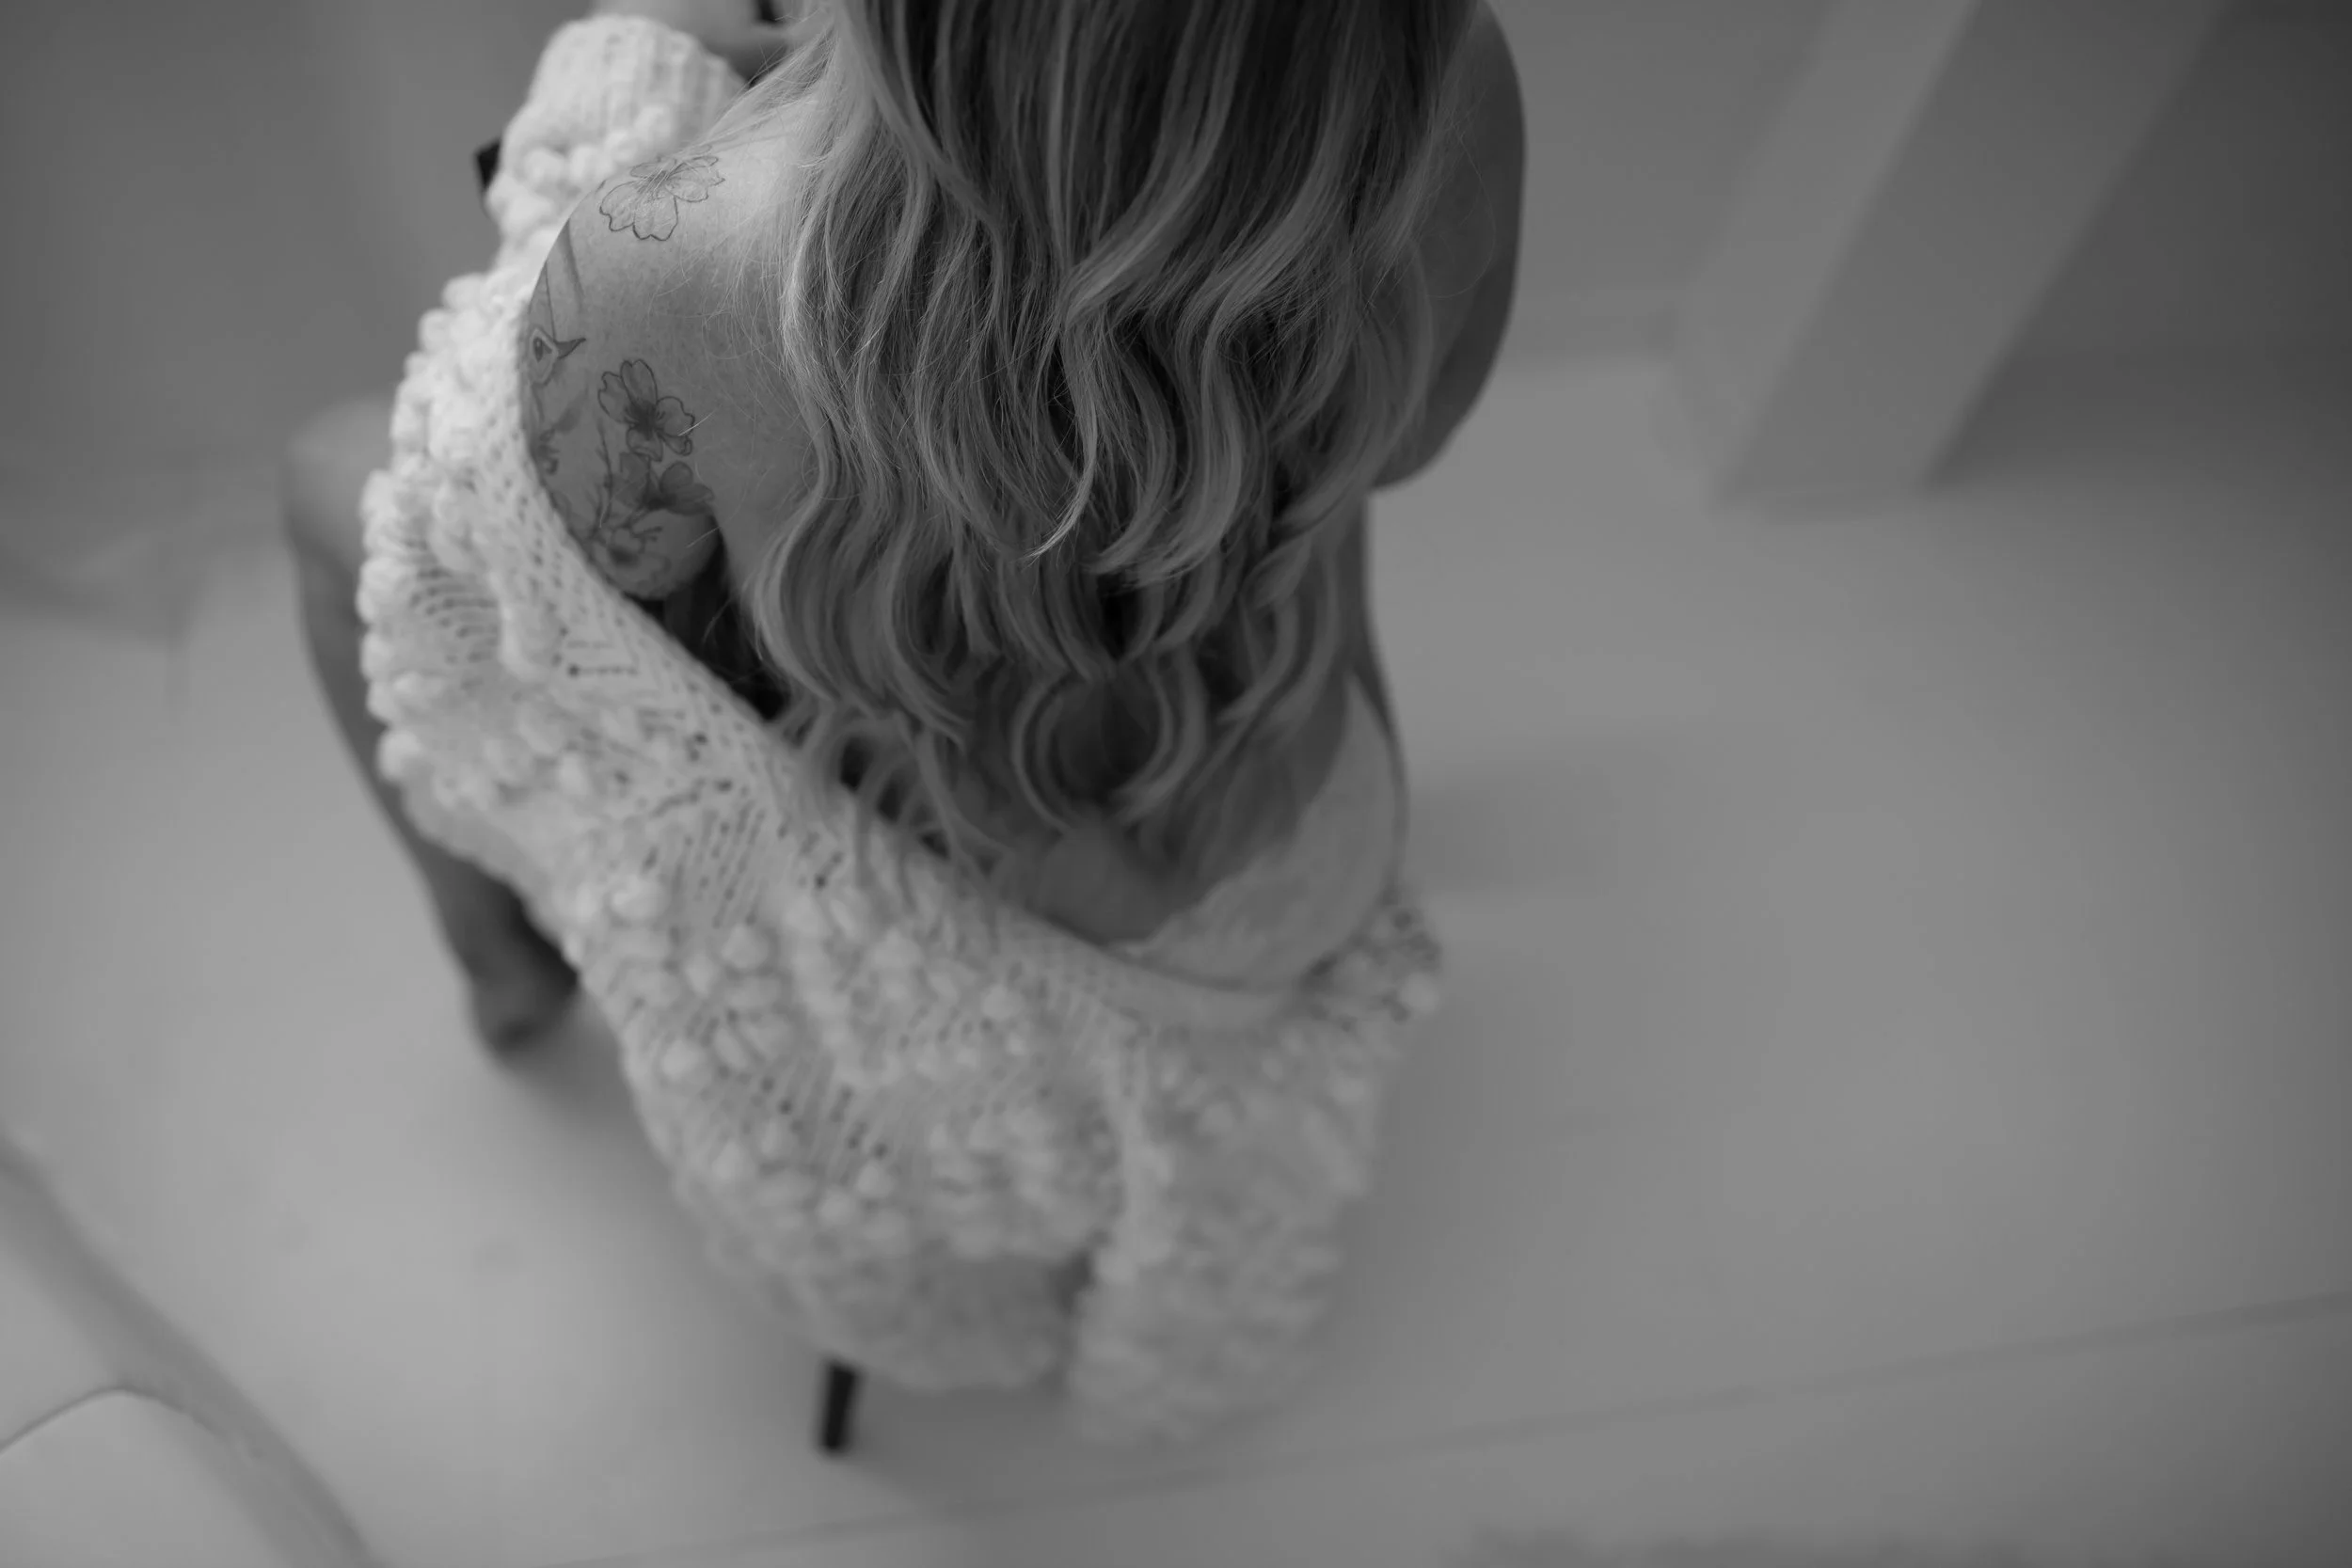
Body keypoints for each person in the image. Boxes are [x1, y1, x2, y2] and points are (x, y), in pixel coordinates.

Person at [281, 0, 1523, 1443]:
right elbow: (1413, 442)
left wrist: (612, 69)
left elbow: (551, 586)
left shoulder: (683, 259)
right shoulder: (1452, 76)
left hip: (946, 916)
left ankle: (499, 964)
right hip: (1292, 848)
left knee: (322, 481)